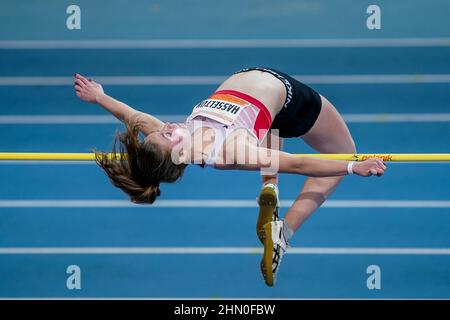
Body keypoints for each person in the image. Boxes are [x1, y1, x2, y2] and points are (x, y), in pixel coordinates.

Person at [74, 67, 386, 286]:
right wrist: (351, 166)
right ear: (180, 155)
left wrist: (99, 97)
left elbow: (134, 117)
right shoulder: (229, 153)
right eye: (167, 135)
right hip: (291, 101)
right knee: (343, 149)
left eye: (163, 129)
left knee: (267, 133)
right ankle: (284, 232)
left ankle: (270, 187)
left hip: (264, 107)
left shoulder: (177, 137)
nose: (167, 126)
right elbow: (301, 164)